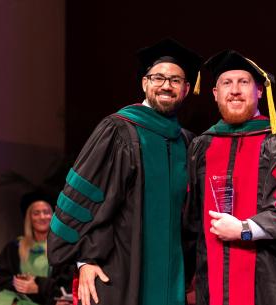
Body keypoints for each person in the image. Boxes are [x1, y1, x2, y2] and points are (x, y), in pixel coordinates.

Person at [47, 38, 203, 305]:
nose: (166, 85)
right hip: (118, 271)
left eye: (175, 80)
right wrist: (84, 261)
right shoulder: (118, 131)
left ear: (186, 89)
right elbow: (85, 198)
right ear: (145, 83)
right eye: (158, 78)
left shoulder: (187, 143)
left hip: (172, 277)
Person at [183, 49, 276, 305]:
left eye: (243, 82)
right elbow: (190, 222)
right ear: (215, 94)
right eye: (226, 83)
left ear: (259, 91)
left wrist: (245, 230)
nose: (234, 90)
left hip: (269, 281)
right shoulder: (201, 146)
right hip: (211, 280)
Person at [0, 191, 73, 305]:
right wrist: (18, 287)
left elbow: (68, 285)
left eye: (46, 212)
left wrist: (39, 286)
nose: (42, 217)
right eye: (36, 213)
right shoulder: (14, 247)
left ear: (53, 216)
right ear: (29, 218)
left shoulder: (63, 248)